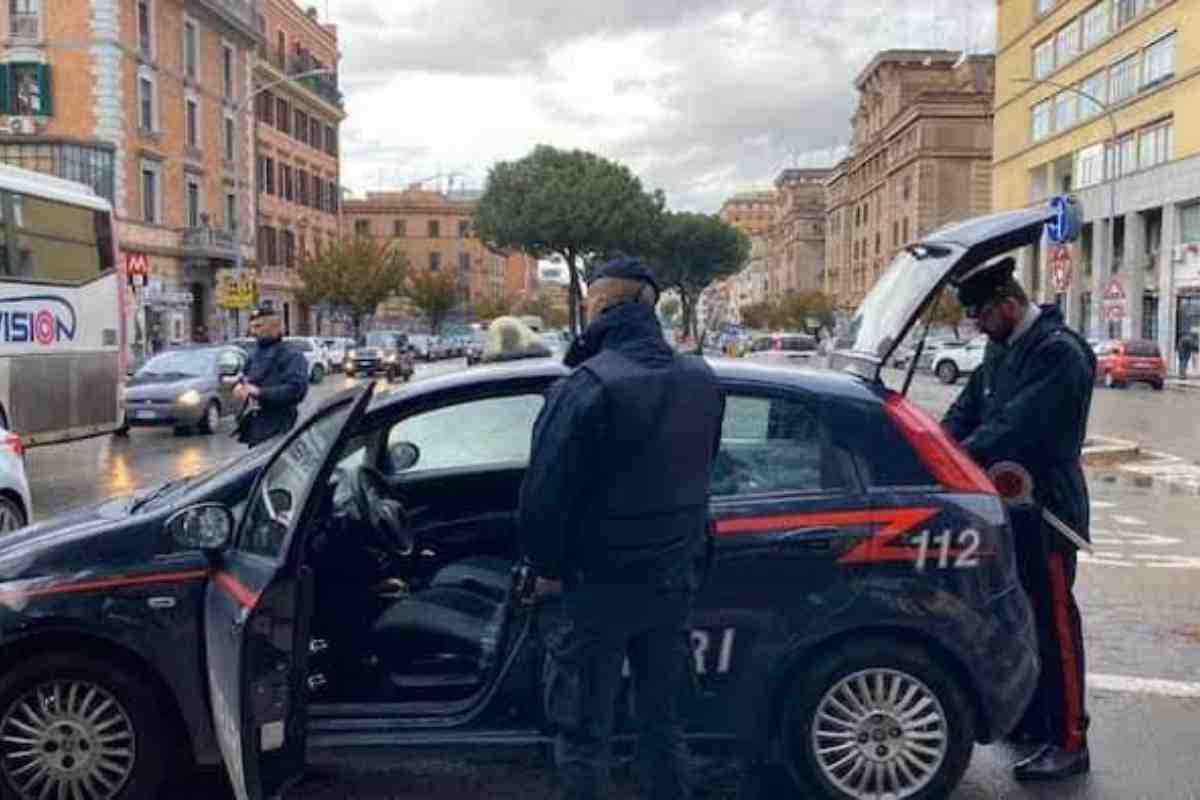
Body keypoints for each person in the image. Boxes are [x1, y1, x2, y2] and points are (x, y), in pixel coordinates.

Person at [519, 256, 724, 800]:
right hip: (671, 584)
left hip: (595, 592)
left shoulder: (587, 386)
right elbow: (704, 471)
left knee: (584, 736)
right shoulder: (702, 380)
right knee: (662, 726)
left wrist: (546, 572)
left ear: (605, 305)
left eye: (589, 302)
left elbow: (544, 498)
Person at [941, 257, 1095, 782]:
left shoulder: (1058, 352)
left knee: (1055, 627)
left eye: (982, 314)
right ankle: (1035, 722)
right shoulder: (1003, 346)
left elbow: (1015, 427)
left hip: (1047, 509)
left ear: (1008, 304)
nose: (978, 326)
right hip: (1008, 509)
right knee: (1024, 620)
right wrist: (934, 450)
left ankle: (1070, 739)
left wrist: (957, 460)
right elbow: (967, 411)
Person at [233, 305, 309, 447]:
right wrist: (240, 387)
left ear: (275, 326)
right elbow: (246, 379)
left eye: (258, 326)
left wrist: (259, 392)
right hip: (256, 427)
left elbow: (297, 389)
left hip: (280, 427)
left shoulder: (291, 355)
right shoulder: (254, 355)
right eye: (252, 327)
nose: (253, 332)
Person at [480, 316, 551, 363]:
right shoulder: (537, 354)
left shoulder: (493, 362)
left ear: (501, 340)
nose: (509, 339)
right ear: (518, 336)